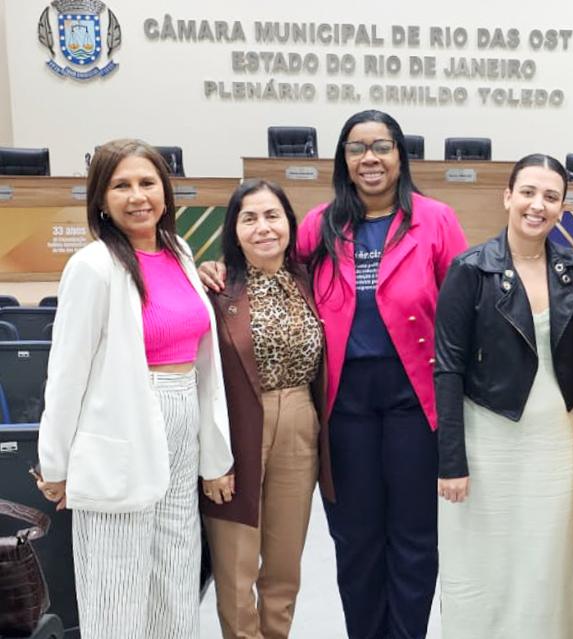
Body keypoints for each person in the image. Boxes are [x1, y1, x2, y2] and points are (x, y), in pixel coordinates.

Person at [200, 109, 467, 639]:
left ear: (400, 156)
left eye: (382, 146)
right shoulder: (321, 223)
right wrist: (220, 267)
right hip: (343, 403)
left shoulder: (437, 219)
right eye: (356, 148)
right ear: (343, 159)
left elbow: (460, 311)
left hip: (414, 399)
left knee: (414, 537)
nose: (370, 158)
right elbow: (274, 268)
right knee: (356, 536)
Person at [35, 139, 234, 638]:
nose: (137, 196)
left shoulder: (181, 252)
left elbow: (203, 364)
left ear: (165, 192)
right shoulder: (93, 266)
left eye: (147, 183)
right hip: (122, 427)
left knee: (175, 576)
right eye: (121, 185)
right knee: (117, 588)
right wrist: (56, 466)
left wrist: (214, 454)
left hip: (182, 420)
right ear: (101, 200)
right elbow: (66, 373)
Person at [434, 154, 573, 637]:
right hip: (488, 440)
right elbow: (447, 368)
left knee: (549, 564)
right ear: (507, 197)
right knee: (482, 563)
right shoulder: (470, 270)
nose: (537, 205)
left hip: (556, 442)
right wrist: (451, 461)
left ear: (562, 208)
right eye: (528, 192)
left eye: (551, 197)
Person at [202, 179, 333, 638]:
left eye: (272, 216)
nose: (263, 228)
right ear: (234, 230)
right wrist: (212, 458)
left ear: (289, 224)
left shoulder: (311, 280)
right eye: (250, 218)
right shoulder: (216, 289)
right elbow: (203, 379)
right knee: (236, 566)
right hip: (238, 425)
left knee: (284, 565)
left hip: (299, 422)